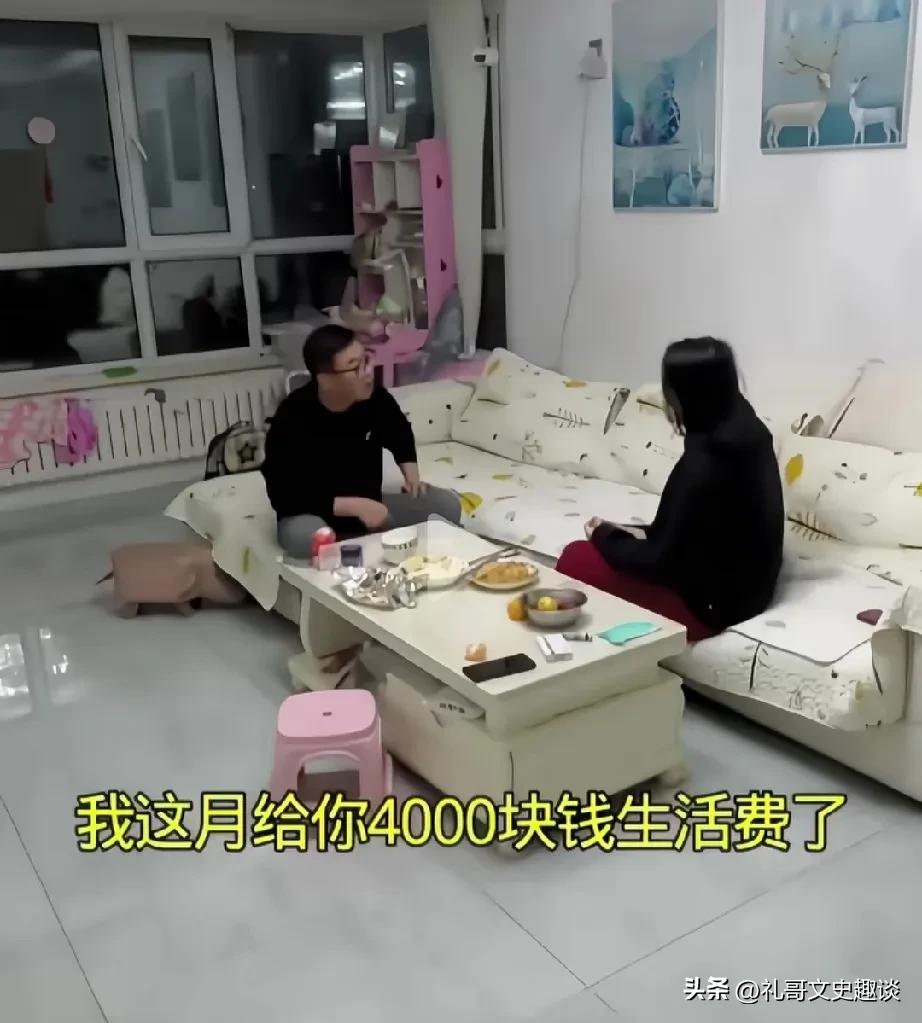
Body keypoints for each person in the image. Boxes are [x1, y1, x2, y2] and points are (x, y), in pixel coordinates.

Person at [557, 337, 784, 642]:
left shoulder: (707, 462)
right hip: (749, 590)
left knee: (575, 557)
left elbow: (660, 562)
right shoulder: (749, 429)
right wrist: (629, 533)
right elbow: (699, 529)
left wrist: (603, 536)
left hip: (712, 608)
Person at [262, 324, 461, 558]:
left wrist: (412, 477)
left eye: (366, 360)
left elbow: (399, 432)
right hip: (314, 512)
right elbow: (283, 493)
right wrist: (356, 506)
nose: (368, 373)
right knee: (308, 537)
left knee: (447, 506)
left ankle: (363, 537)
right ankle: (354, 542)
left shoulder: (375, 399)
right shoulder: (293, 415)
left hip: (371, 503)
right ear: (325, 380)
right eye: (355, 367)